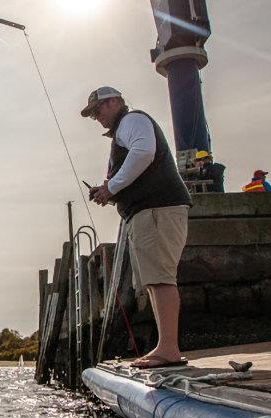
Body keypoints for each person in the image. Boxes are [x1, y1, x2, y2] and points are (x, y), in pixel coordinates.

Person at [81, 86, 192, 369]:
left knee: (161, 278)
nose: (97, 117)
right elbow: (138, 164)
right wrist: (111, 192)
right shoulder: (123, 130)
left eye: (99, 109)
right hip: (147, 212)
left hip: (156, 210)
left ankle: (168, 349)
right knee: (155, 280)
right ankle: (165, 347)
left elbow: (144, 152)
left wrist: (111, 187)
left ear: (116, 101)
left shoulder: (132, 120)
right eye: (93, 114)